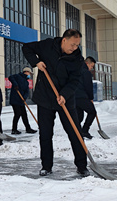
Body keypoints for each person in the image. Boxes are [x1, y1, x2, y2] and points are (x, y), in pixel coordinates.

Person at [22, 29, 89, 177]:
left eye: (77, 45)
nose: (74, 48)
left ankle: (82, 166)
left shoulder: (77, 59)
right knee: (45, 134)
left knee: (75, 132)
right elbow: (26, 48)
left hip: (65, 100)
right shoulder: (47, 45)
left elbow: (74, 81)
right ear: (64, 40)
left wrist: (64, 95)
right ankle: (46, 166)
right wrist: (36, 62)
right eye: (72, 44)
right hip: (45, 97)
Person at [8, 66, 37, 135]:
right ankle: (14, 129)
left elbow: (27, 91)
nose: (30, 75)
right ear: (26, 72)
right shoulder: (17, 76)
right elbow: (10, 77)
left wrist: (24, 97)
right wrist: (15, 84)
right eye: (30, 73)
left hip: (21, 100)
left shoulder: (26, 82)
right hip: (15, 99)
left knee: (24, 114)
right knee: (17, 114)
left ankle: (28, 128)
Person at [74, 56, 97, 139]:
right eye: (91, 66)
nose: (91, 68)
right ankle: (84, 131)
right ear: (87, 63)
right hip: (82, 96)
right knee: (92, 112)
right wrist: (91, 98)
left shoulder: (75, 69)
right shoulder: (86, 72)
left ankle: (77, 132)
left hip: (73, 96)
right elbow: (88, 86)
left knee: (79, 115)